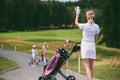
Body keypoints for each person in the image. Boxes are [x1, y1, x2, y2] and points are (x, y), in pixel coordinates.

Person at [75, 6, 100, 80]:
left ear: (86, 16)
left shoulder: (84, 26)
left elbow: (76, 23)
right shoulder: (96, 26)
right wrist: (91, 42)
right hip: (92, 46)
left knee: (87, 66)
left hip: (85, 46)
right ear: (93, 17)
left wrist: (77, 14)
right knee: (91, 67)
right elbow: (96, 39)